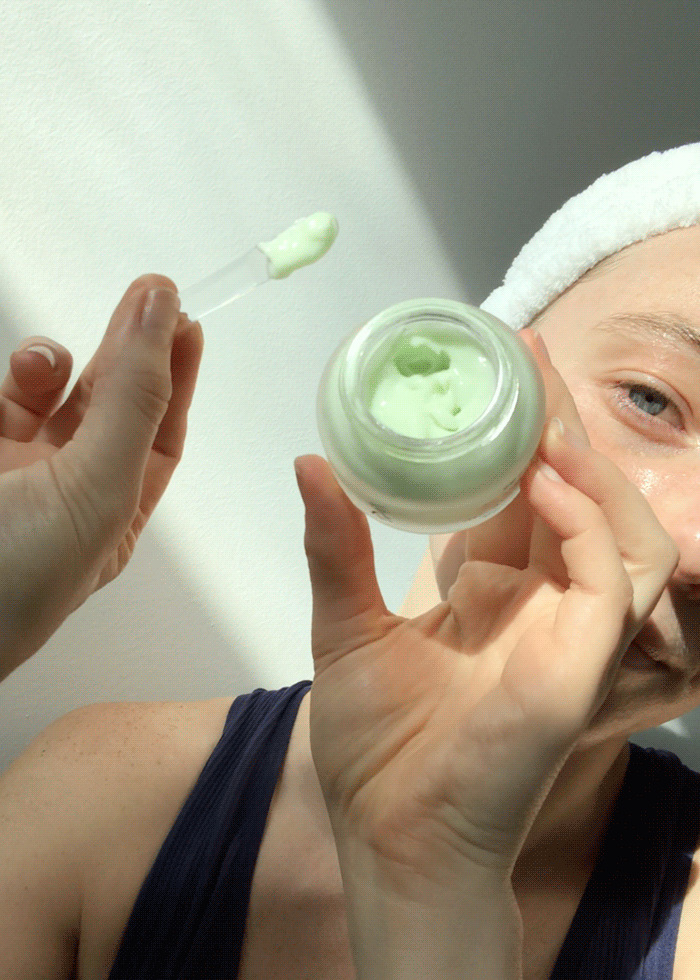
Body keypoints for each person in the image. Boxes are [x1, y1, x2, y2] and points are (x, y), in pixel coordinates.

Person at [0, 144, 698, 979]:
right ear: (487, 351)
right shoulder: (97, 796)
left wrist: (433, 900)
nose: (688, 550)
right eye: (651, 399)